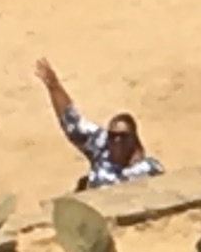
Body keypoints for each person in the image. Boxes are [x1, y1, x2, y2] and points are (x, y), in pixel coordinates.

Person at [37, 59, 160, 189]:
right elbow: (73, 124)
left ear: (134, 139)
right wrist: (54, 87)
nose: (116, 140)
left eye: (123, 136)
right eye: (112, 135)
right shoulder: (102, 148)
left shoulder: (150, 169)